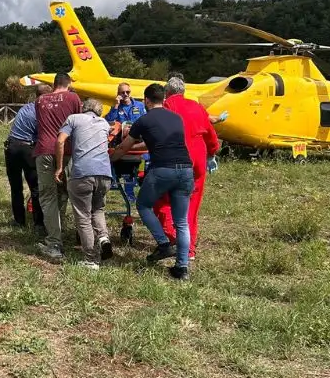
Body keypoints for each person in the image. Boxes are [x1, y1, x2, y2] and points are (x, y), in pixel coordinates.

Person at [110, 83, 194, 280]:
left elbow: (124, 147)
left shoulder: (144, 120)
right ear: (163, 99)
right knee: (181, 221)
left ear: (146, 100)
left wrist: (111, 158)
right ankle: (182, 268)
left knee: (143, 205)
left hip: (163, 169)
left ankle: (163, 244)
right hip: (186, 169)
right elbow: (155, 140)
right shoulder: (176, 118)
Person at [153, 77, 220, 262]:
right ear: (183, 91)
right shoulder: (197, 106)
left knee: (161, 201)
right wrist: (211, 153)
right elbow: (211, 136)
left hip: (175, 158)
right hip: (198, 159)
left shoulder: (166, 106)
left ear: (167, 92)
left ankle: (176, 237)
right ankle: (189, 249)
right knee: (192, 204)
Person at [54, 97, 114, 269]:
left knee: (83, 216)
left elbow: (60, 140)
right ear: (99, 111)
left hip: (82, 173)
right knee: (98, 209)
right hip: (104, 173)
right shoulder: (104, 123)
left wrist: (59, 167)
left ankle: (91, 259)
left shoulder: (74, 118)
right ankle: (103, 238)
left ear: (83, 108)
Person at [32, 72, 81, 260]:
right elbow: (77, 122)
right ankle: (76, 236)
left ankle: (54, 240)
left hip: (44, 149)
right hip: (67, 150)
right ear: (68, 83)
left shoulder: (40, 100)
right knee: (68, 193)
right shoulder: (73, 97)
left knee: (47, 196)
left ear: (54, 84)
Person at [4, 83, 50, 234]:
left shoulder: (26, 107)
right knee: (36, 187)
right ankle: (39, 224)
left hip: (11, 147)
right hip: (27, 149)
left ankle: (19, 221)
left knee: (16, 187)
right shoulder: (41, 112)